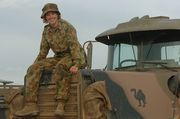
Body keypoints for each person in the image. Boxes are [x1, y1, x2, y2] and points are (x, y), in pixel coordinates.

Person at [14, 3, 86, 117]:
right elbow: (43, 52)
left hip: (74, 55)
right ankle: (31, 105)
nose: (50, 17)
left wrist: (76, 64)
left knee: (60, 67)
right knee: (33, 68)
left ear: (57, 15)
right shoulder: (46, 31)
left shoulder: (67, 27)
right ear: (45, 18)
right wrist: (33, 68)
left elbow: (74, 47)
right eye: (47, 15)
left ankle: (61, 104)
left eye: (53, 14)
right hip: (59, 56)